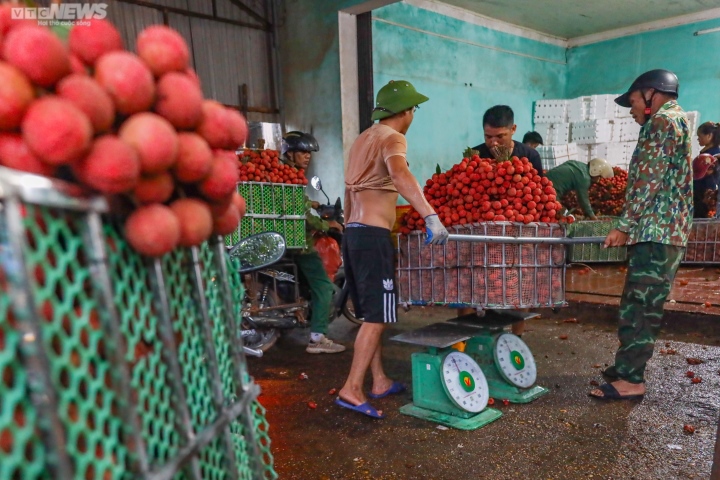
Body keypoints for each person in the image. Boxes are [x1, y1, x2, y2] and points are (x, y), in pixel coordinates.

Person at [336, 80, 448, 418]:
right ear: (406, 111)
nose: (413, 115)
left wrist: (347, 235)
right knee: (379, 315)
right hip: (372, 235)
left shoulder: (362, 139)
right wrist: (430, 215)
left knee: (373, 313)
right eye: (414, 109)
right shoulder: (393, 138)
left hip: (353, 232)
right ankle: (351, 388)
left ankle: (379, 380)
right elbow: (400, 174)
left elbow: (349, 193)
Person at [590, 69, 692, 400]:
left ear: (651, 94)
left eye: (632, 101)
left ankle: (631, 380)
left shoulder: (661, 122)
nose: (631, 109)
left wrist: (624, 225)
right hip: (660, 231)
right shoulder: (673, 121)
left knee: (642, 306)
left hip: (656, 231)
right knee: (637, 302)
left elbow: (648, 180)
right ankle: (625, 367)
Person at [282, 131, 346, 354]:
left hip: (280, 240)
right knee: (323, 287)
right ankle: (318, 338)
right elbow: (300, 215)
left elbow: (293, 202)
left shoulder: (285, 174)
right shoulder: (289, 175)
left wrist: (314, 204)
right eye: (302, 152)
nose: (307, 157)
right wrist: (328, 226)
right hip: (298, 242)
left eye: (309, 153)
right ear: (289, 153)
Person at [472, 105, 544, 177]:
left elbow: (539, 185)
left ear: (513, 129)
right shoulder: (474, 156)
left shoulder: (531, 156)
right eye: (488, 136)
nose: (494, 143)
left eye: (500, 136)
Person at [546, 158, 614, 220]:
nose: (598, 181)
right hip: (552, 190)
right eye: (599, 177)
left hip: (545, 181)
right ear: (595, 171)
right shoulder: (584, 178)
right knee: (554, 217)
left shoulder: (580, 166)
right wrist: (592, 216)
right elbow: (583, 199)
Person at [691, 122, 720, 218]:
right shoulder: (706, 153)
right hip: (698, 193)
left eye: (700, 135)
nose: (698, 138)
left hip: (705, 195)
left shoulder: (713, 156)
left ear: (709, 135)